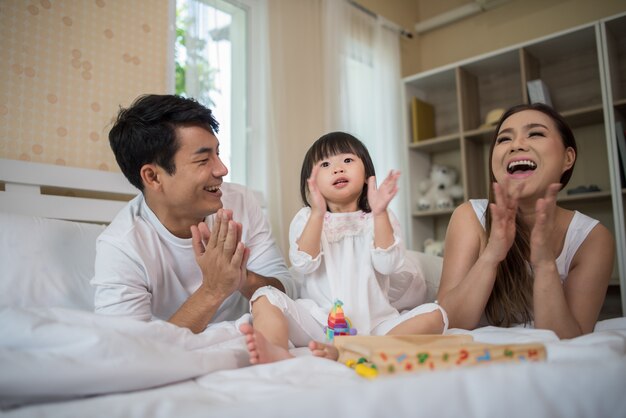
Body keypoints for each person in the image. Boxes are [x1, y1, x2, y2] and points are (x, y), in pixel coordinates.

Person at [91, 94, 296, 334]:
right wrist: (213, 289)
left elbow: (288, 289)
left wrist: (243, 279)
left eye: (218, 153)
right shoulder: (121, 246)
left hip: (252, 340)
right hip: (175, 357)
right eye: (203, 160)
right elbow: (127, 349)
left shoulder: (240, 202)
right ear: (153, 177)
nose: (222, 169)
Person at [239, 131, 447, 364]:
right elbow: (303, 264)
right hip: (320, 323)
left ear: (367, 173)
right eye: (326, 164)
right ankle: (274, 348)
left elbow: (388, 264)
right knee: (264, 296)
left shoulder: (379, 216)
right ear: (312, 182)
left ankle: (356, 349)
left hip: (375, 324)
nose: (338, 168)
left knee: (435, 314)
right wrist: (318, 214)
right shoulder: (306, 217)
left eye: (348, 160)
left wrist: (379, 214)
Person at [437, 103, 615, 339]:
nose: (516, 145)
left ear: (567, 158)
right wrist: (492, 254)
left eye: (536, 133)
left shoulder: (592, 238)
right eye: (503, 139)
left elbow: (570, 341)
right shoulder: (469, 217)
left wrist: (545, 264)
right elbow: (448, 323)